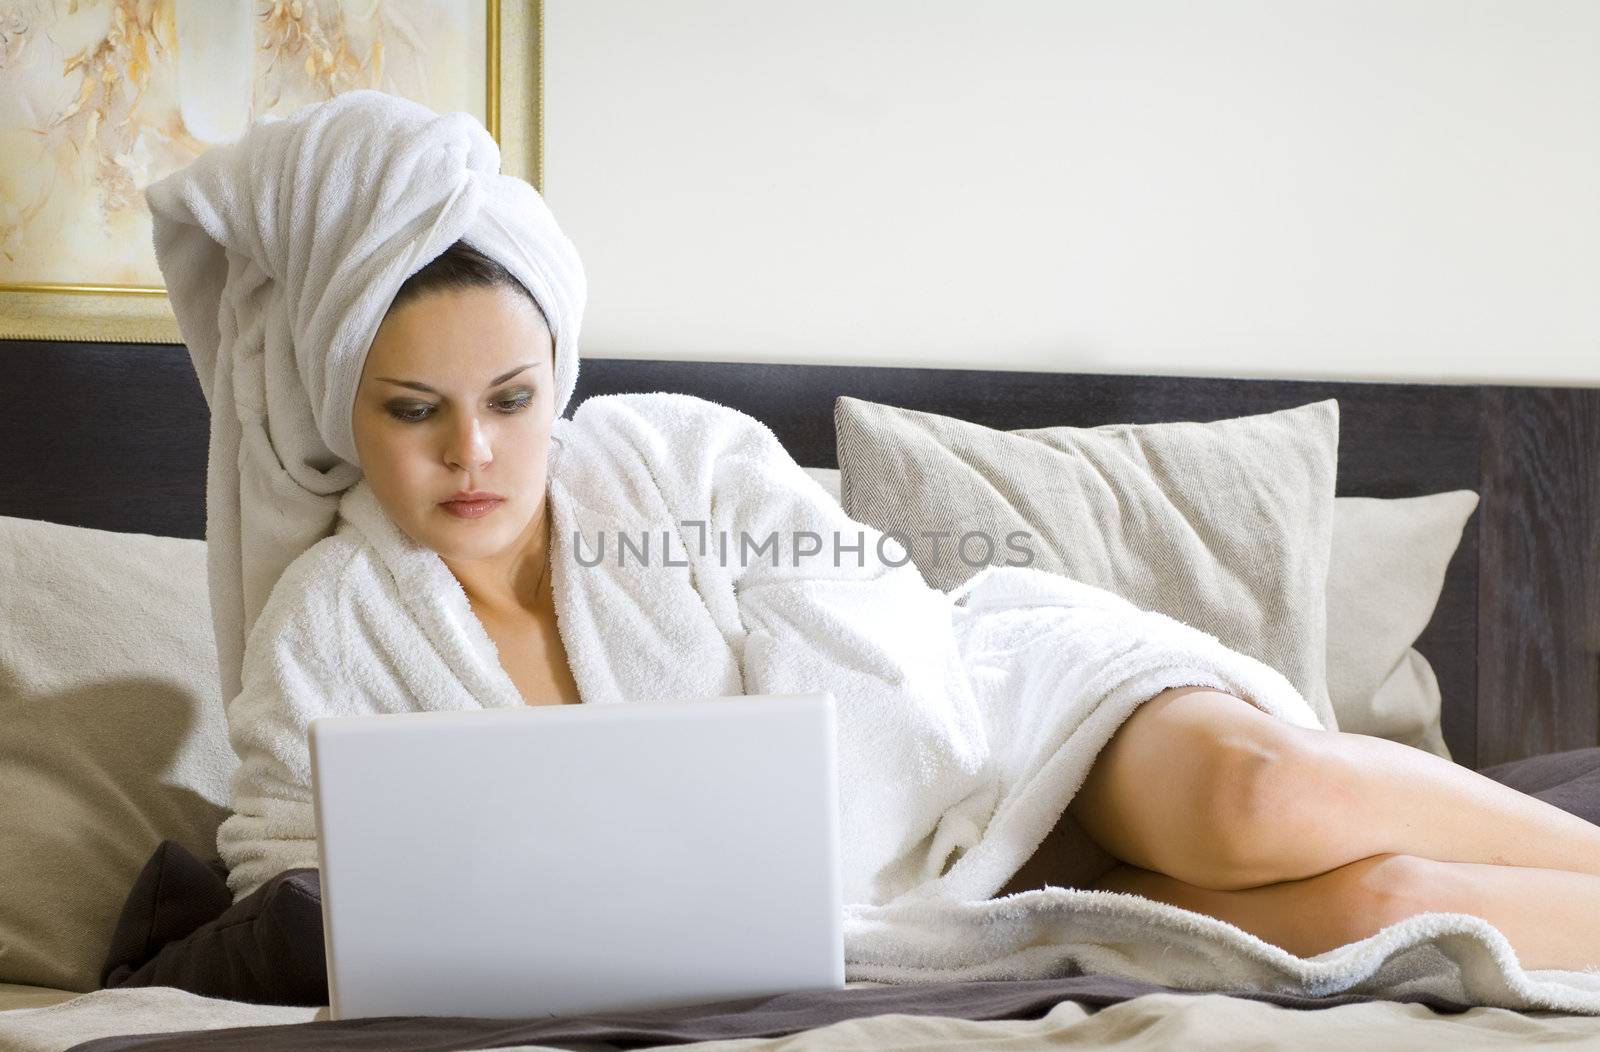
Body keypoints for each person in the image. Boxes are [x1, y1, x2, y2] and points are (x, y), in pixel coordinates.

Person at [150, 89, 1600, 979]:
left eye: (512, 399)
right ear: (346, 404)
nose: (475, 454)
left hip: (1001, 729)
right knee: (1394, 909)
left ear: (559, 380)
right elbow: (293, 877)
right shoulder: (336, 624)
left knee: (1258, 803)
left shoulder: (671, 458)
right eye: (415, 411)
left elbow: (894, 641)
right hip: (931, 926)